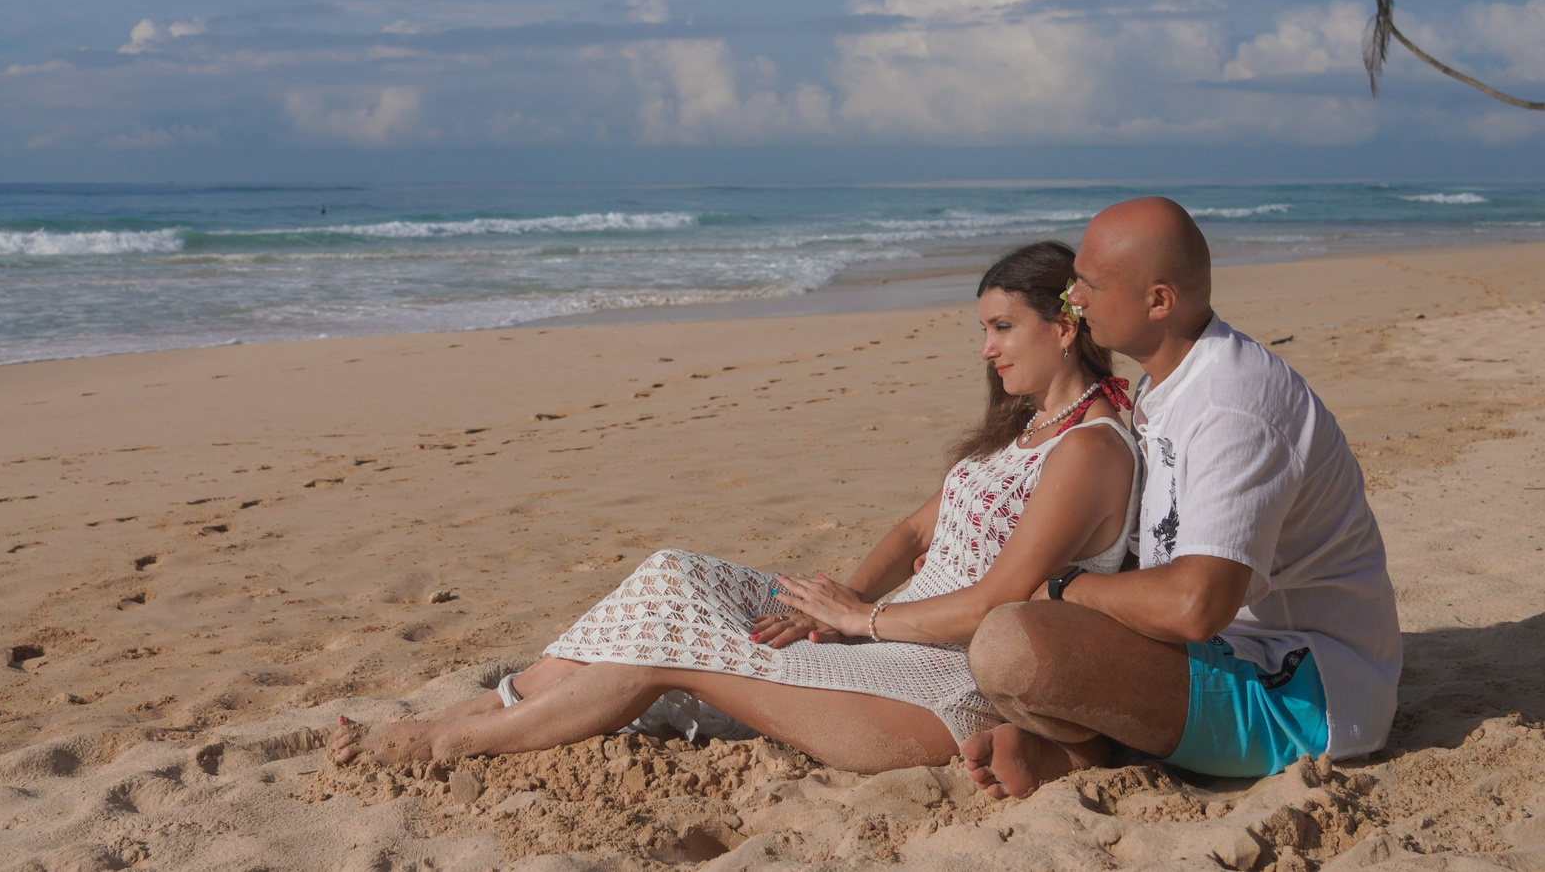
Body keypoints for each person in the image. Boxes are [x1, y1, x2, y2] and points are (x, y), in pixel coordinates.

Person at [329, 241, 1141, 774]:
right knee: (674, 575)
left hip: (939, 685)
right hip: (881, 635)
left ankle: (449, 739)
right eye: (983, 328)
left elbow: (1001, 601)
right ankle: (496, 701)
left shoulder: (1090, 449)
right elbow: (912, 532)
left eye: (1002, 327)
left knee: (663, 650)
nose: (987, 347)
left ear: (1065, 325)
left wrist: (861, 620)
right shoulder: (1024, 431)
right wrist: (834, 604)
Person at [959, 198, 1400, 798]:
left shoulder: (1232, 403)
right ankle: (1088, 743)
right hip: (1214, 650)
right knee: (1014, 619)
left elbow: (1196, 605)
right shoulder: (1163, 386)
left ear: (1158, 301)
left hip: (1298, 692)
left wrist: (1065, 588)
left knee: (1010, 646)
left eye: (1088, 284)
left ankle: (1087, 746)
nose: (1074, 300)